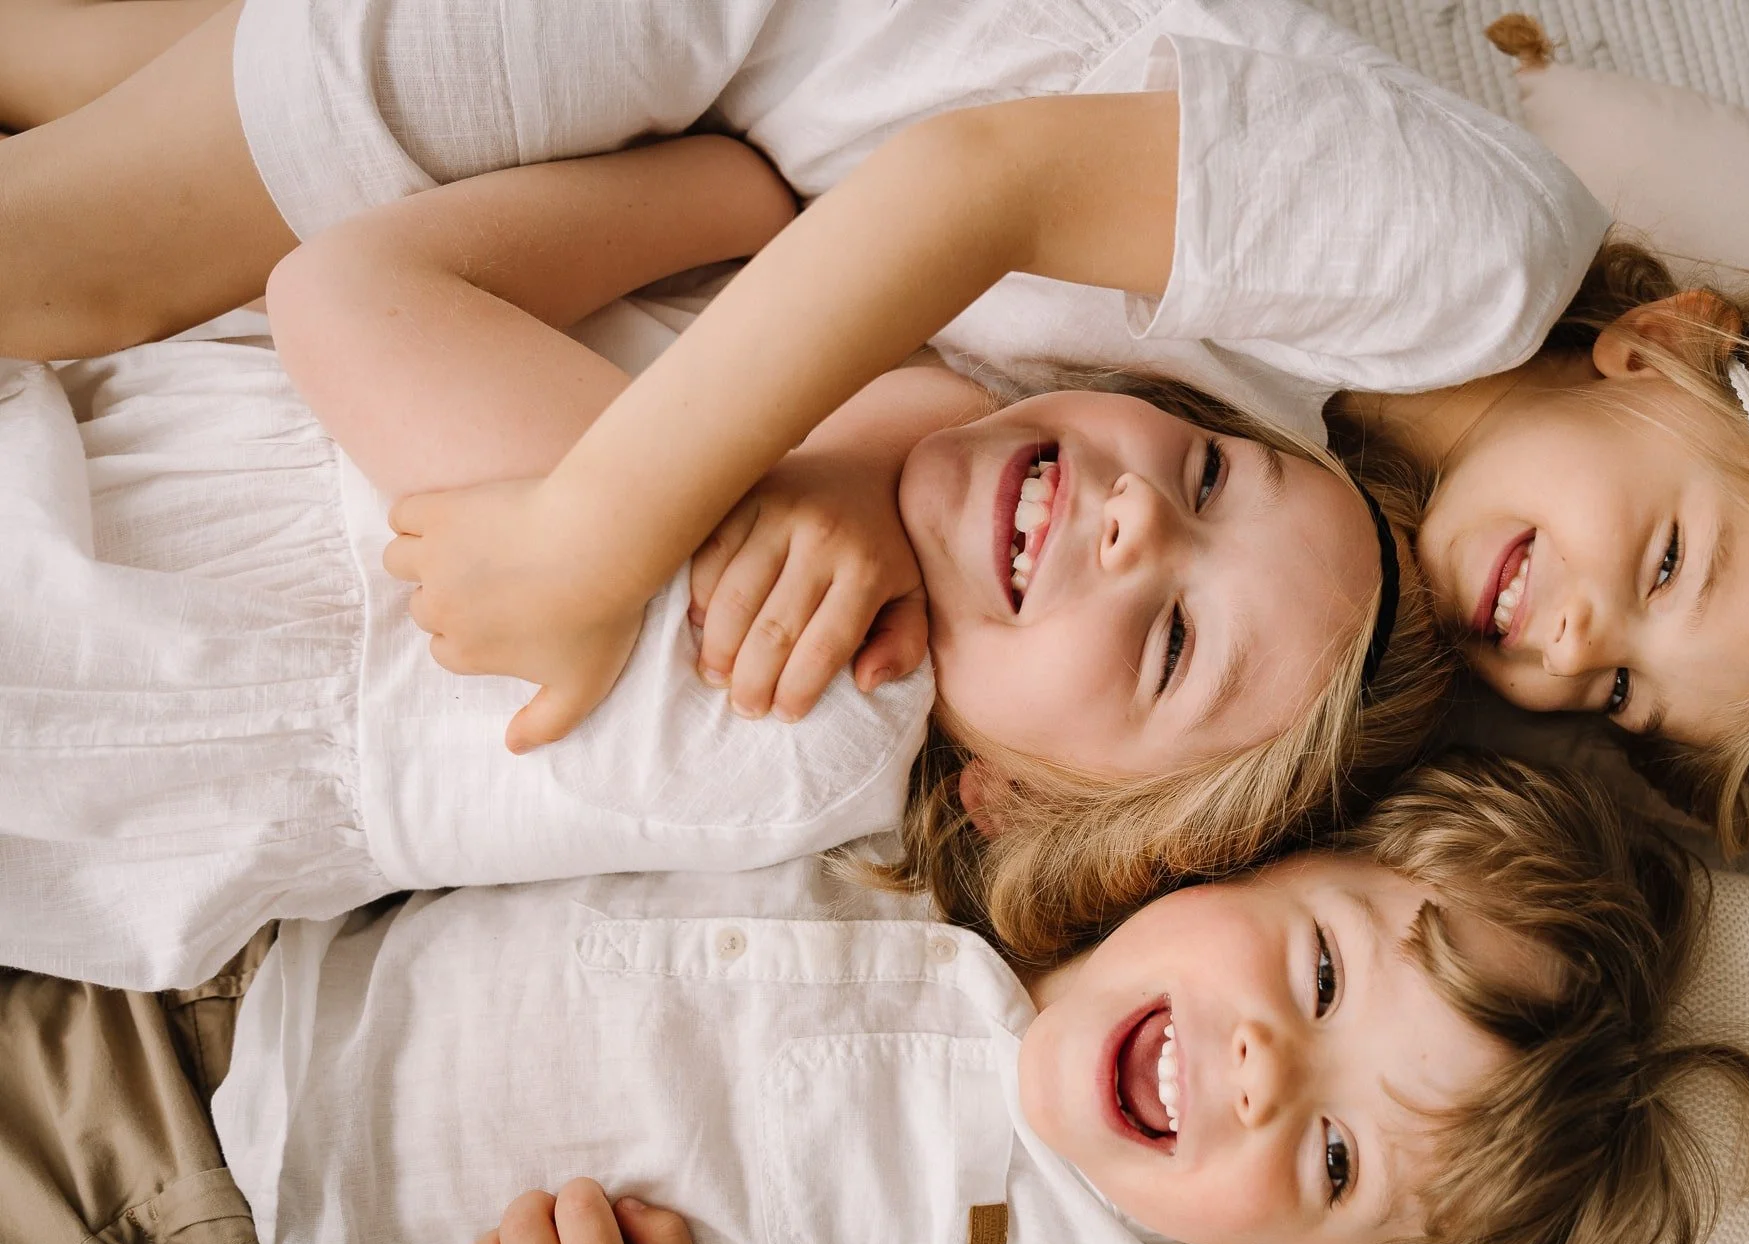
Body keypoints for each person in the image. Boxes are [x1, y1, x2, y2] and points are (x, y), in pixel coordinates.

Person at [0, 751, 1749, 1244]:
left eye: (1328, 1158)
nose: (1258, 1069)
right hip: (200, 985)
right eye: (1317, 973)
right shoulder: (923, 824)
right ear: (1262, 854)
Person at [0, 135, 1448, 990]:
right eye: (1206, 472)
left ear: (1021, 805)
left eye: (1171, 645)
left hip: (76, 641)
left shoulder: (790, 687)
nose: (1139, 524)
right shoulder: (869, 441)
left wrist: (752, 218)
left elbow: (347, 292)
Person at [1338, 238, 1749, 848]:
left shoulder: (1351, 643)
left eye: (1619, 690)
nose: (1570, 654)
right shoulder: (1440, 260)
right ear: (1656, 349)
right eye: (1667, 565)